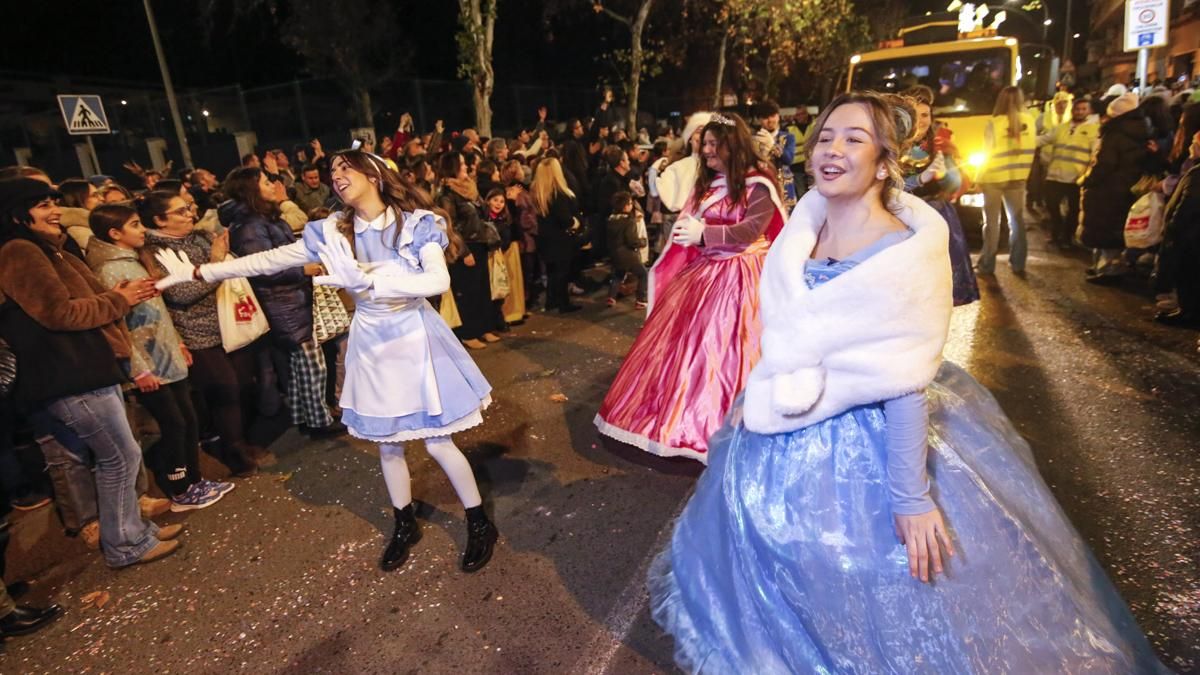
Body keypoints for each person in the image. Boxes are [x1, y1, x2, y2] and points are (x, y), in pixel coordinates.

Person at [647, 91, 1168, 674]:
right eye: (825, 137)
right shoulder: (802, 228)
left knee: (884, 584)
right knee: (777, 557)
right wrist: (765, 388)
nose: (833, 150)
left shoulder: (902, 246)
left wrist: (910, 498)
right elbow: (790, 333)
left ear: (885, 160)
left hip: (868, 439)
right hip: (784, 418)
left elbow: (900, 381)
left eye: (854, 139)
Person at [153, 150, 499, 574]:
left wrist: (370, 279)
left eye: (344, 168)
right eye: (332, 171)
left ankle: (479, 522)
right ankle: (404, 522)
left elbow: (436, 281)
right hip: (370, 340)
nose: (336, 177)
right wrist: (200, 273)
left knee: (437, 440)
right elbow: (270, 259)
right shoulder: (335, 228)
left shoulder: (416, 223)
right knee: (387, 444)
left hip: (414, 337)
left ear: (374, 174)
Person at [0, 178, 182, 567]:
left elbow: (81, 300)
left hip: (86, 368)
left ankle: (135, 532)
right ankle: (126, 545)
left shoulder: (51, 249)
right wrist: (120, 298)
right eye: (42, 204)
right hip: (67, 373)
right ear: (17, 214)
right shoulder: (20, 251)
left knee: (120, 455)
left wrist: (119, 296)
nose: (55, 211)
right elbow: (59, 313)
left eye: (53, 202)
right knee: (119, 456)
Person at [594, 113, 786, 462]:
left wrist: (705, 234)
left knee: (732, 352)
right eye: (705, 143)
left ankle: (732, 423)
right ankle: (685, 419)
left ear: (733, 145)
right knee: (690, 354)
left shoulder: (759, 183)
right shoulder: (709, 182)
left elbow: (752, 229)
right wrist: (693, 236)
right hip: (706, 272)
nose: (707, 150)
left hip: (743, 275)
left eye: (715, 144)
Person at [85, 204, 232, 511]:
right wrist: (137, 368)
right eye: (135, 225)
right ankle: (179, 488)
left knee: (188, 419)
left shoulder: (134, 260)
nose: (142, 230)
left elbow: (157, 311)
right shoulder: (110, 270)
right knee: (174, 424)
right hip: (148, 363)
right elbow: (117, 325)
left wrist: (177, 342)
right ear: (115, 234)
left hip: (165, 352)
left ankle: (194, 480)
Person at [140, 191, 267, 476]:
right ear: (159, 220)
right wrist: (216, 263)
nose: (190, 215)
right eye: (181, 211)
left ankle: (240, 440)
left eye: (189, 208)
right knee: (225, 390)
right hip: (196, 331)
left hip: (231, 321)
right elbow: (181, 293)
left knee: (245, 385)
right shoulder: (152, 252)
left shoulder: (200, 236)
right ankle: (234, 452)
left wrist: (219, 260)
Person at [221, 168, 343, 438]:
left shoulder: (262, 219)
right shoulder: (252, 225)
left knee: (302, 366)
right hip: (282, 302)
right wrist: (303, 270)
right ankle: (320, 422)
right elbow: (262, 268)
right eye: (266, 182)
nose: (274, 185)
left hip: (291, 299)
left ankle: (306, 416)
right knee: (313, 365)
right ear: (251, 189)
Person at [901, 85, 980, 305]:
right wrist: (920, 179)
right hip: (904, 220)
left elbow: (955, 184)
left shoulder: (940, 145)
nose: (922, 120)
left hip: (938, 216)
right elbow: (887, 189)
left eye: (925, 114)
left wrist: (945, 175)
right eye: (915, 115)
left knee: (941, 288)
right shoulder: (892, 148)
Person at [436, 152, 502, 349]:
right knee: (468, 292)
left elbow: (483, 213)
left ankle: (484, 328)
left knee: (482, 289)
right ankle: (469, 332)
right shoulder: (447, 195)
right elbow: (450, 226)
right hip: (465, 247)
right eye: (462, 164)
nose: (467, 167)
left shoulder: (470, 189)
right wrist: (464, 252)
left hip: (480, 242)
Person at [1081, 92, 1148, 284]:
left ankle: (1110, 269)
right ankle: (1107, 266)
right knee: (1114, 228)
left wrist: (1087, 179)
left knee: (1105, 227)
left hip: (1108, 189)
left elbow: (1104, 164)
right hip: (1124, 187)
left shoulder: (1114, 134)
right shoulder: (1139, 130)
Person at [976, 86, 1036, 276]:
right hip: (1018, 178)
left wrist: (978, 178)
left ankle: (987, 265)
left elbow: (986, 153)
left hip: (993, 177)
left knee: (992, 223)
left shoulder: (994, 123)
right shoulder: (1030, 122)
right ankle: (1018, 263)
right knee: (1016, 221)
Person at [1038, 98, 1100, 250]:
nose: (1079, 112)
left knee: (1074, 211)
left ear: (1089, 111)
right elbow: (1043, 140)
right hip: (1055, 175)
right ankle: (1056, 231)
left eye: (1083, 109)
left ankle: (1066, 237)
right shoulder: (1061, 128)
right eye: (1077, 109)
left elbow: (1095, 154)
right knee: (1052, 206)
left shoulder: (1094, 130)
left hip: (1076, 178)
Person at [530, 157, 583, 314]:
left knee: (552, 271)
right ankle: (563, 303)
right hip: (560, 238)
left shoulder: (537, 193)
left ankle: (551, 301)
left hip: (545, 238)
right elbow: (565, 219)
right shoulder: (557, 194)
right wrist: (575, 222)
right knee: (562, 271)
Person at [604, 191, 648, 309]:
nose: (631, 205)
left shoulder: (610, 220)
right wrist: (642, 242)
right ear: (625, 206)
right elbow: (631, 240)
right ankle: (641, 299)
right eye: (629, 203)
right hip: (628, 255)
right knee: (643, 274)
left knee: (618, 274)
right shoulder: (629, 221)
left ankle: (611, 296)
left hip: (615, 254)